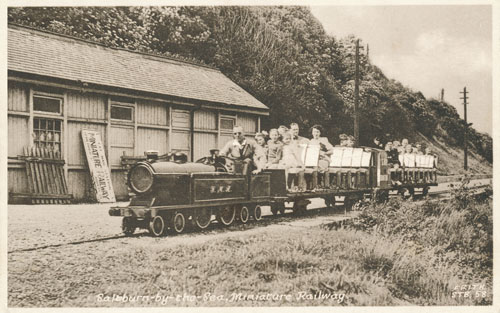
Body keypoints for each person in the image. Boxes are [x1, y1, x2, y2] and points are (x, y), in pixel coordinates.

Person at [309, 124, 334, 189]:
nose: (316, 133)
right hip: (314, 160)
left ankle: (318, 185)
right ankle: (312, 185)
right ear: (312, 132)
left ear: (320, 133)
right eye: (314, 132)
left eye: (317, 132)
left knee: (317, 166)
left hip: (323, 159)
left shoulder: (324, 140)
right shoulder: (311, 141)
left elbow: (332, 150)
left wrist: (324, 153)